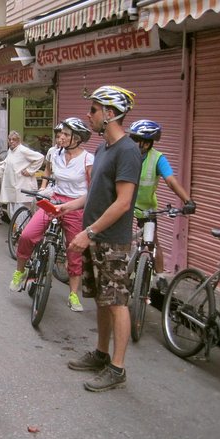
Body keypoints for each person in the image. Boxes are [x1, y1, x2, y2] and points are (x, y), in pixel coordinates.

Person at [58, 85, 141, 392]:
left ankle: (117, 368)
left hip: (111, 239)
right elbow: (96, 193)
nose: (88, 115)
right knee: (103, 300)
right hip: (95, 237)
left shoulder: (128, 151)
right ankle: (101, 353)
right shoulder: (103, 149)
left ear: (109, 113)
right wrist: (71, 205)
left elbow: (123, 203)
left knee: (117, 302)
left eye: (93, 110)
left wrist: (88, 232)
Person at [9, 118, 94, 314]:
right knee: (27, 235)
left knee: (74, 250)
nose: (60, 137)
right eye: (60, 133)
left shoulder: (88, 159)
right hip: (54, 201)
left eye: (65, 134)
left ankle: (73, 294)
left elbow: (92, 189)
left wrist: (81, 208)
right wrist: (44, 188)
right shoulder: (54, 153)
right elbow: (48, 171)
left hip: (75, 206)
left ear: (77, 138)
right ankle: (20, 271)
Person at [127, 119, 196, 275]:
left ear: (146, 144)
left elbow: (170, 181)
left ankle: (160, 278)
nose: (131, 142)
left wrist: (188, 200)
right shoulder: (126, 154)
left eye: (135, 140)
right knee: (121, 242)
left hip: (147, 209)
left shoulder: (157, 158)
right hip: (124, 207)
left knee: (153, 243)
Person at [0, 131, 44, 218]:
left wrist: (29, 171)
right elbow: (5, 164)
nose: (11, 141)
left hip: (23, 189)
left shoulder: (23, 150)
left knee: (22, 217)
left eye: (14, 139)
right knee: (12, 216)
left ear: (19, 141)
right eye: (9, 139)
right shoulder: (10, 151)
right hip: (13, 189)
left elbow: (40, 157)